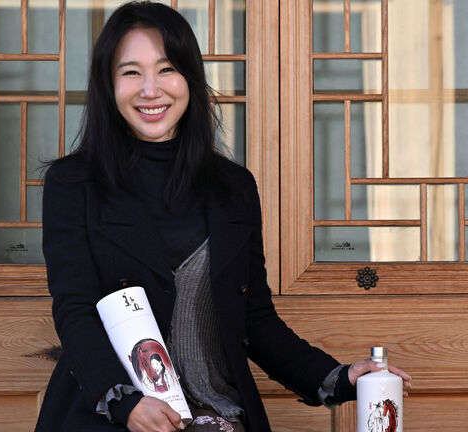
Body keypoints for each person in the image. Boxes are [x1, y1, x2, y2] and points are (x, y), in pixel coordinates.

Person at [34, 2, 412, 431]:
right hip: (109, 417)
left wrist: (338, 377)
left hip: (219, 418)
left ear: (190, 79)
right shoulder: (73, 184)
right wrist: (126, 403)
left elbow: (254, 319)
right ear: (108, 84)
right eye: (131, 72)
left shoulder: (233, 188)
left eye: (166, 69)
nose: (150, 89)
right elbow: (75, 310)